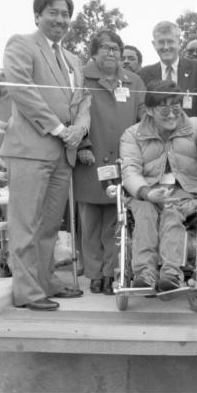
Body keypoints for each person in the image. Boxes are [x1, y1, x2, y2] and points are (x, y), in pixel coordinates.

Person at [1, 0, 91, 311]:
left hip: (63, 153)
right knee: (25, 222)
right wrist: (57, 128)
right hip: (30, 149)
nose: (61, 20)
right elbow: (21, 89)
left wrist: (79, 129)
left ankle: (47, 280)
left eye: (65, 14)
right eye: (53, 13)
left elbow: (82, 100)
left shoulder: (73, 59)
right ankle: (26, 291)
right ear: (37, 15)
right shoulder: (21, 44)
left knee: (50, 225)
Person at [119, 80, 197, 291]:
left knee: (172, 212)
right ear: (149, 110)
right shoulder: (132, 134)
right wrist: (147, 192)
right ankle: (145, 274)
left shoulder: (196, 126)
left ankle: (171, 273)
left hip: (185, 192)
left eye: (176, 108)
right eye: (165, 109)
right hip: (144, 193)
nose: (172, 115)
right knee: (145, 213)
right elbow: (130, 171)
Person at [73, 30, 145, 295]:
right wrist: (82, 144)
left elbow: (143, 117)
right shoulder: (80, 78)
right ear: (93, 52)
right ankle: (93, 274)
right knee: (90, 220)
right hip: (90, 157)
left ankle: (111, 272)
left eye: (116, 47)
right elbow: (71, 113)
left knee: (117, 220)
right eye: (105, 47)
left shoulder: (134, 81)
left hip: (123, 159)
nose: (112, 52)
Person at [138, 21, 197, 118]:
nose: (166, 47)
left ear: (179, 43)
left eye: (170, 41)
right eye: (161, 42)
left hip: (191, 131)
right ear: (154, 44)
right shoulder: (143, 75)